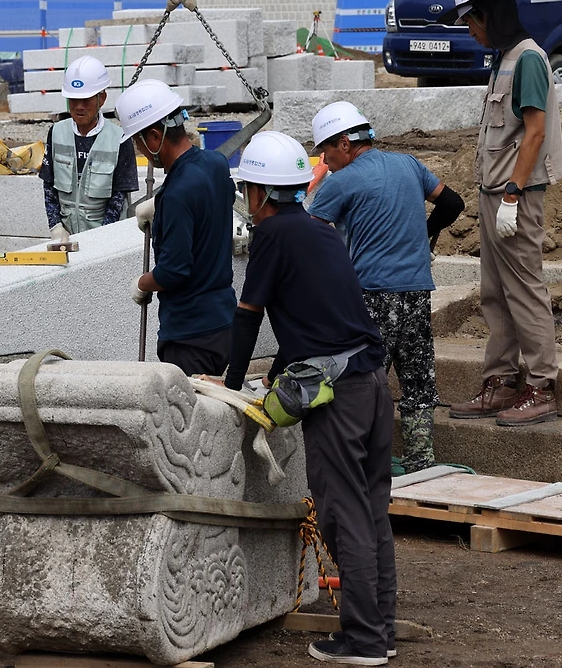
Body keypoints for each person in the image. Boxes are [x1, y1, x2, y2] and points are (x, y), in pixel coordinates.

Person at [220, 131, 393, 666]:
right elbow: (313, 318)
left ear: (258, 193)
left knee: (342, 515)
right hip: (372, 380)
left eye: (247, 190)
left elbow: (248, 317)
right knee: (372, 511)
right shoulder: (321, 230)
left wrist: (230, 383)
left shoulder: (272, 236)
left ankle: (363, 641)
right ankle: (381, 629)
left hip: (339, 396)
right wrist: (275, 376)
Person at [307, 101, 464, 473]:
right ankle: (421, 460)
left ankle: (364, 461)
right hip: (416, 291)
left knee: (364, 379)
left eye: (326, 151)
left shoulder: (341, 182)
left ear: (344, 143)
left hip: (372, 294)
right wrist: (423, 235)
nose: (325, 160)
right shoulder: (409, 165)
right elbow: (452, 203)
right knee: (418, 378)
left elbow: (310, 237)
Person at [439, 0, 562, 426]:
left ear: (488, 15)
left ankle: (541, 386)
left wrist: (513, 193)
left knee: (524, 289)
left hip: (516, 195)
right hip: (495, 192)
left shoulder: (527, 59)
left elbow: (534, 133)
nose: (470, 32)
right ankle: (501, 381)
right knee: (496, 292)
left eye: (471, 22)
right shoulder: (504, 59)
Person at [115, 79, 234, 375]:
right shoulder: (216, 163)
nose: (140, 150)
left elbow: (173, 271)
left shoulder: (177, 194)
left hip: (190, 337)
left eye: (138, 142)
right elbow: (214, 200)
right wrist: (161, 203)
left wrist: (142, 283)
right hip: (223, 323)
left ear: (155, 137)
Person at [39, 55, 138, 248]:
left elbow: (119, 198)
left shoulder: (119, 139)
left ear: (102, 98)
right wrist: (55, 226)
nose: (79, 107)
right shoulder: (56, 133)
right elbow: (49, 185)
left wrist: (101, 238)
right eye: (74, 99)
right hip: (66, 236)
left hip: (106, 237)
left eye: (86, 99)